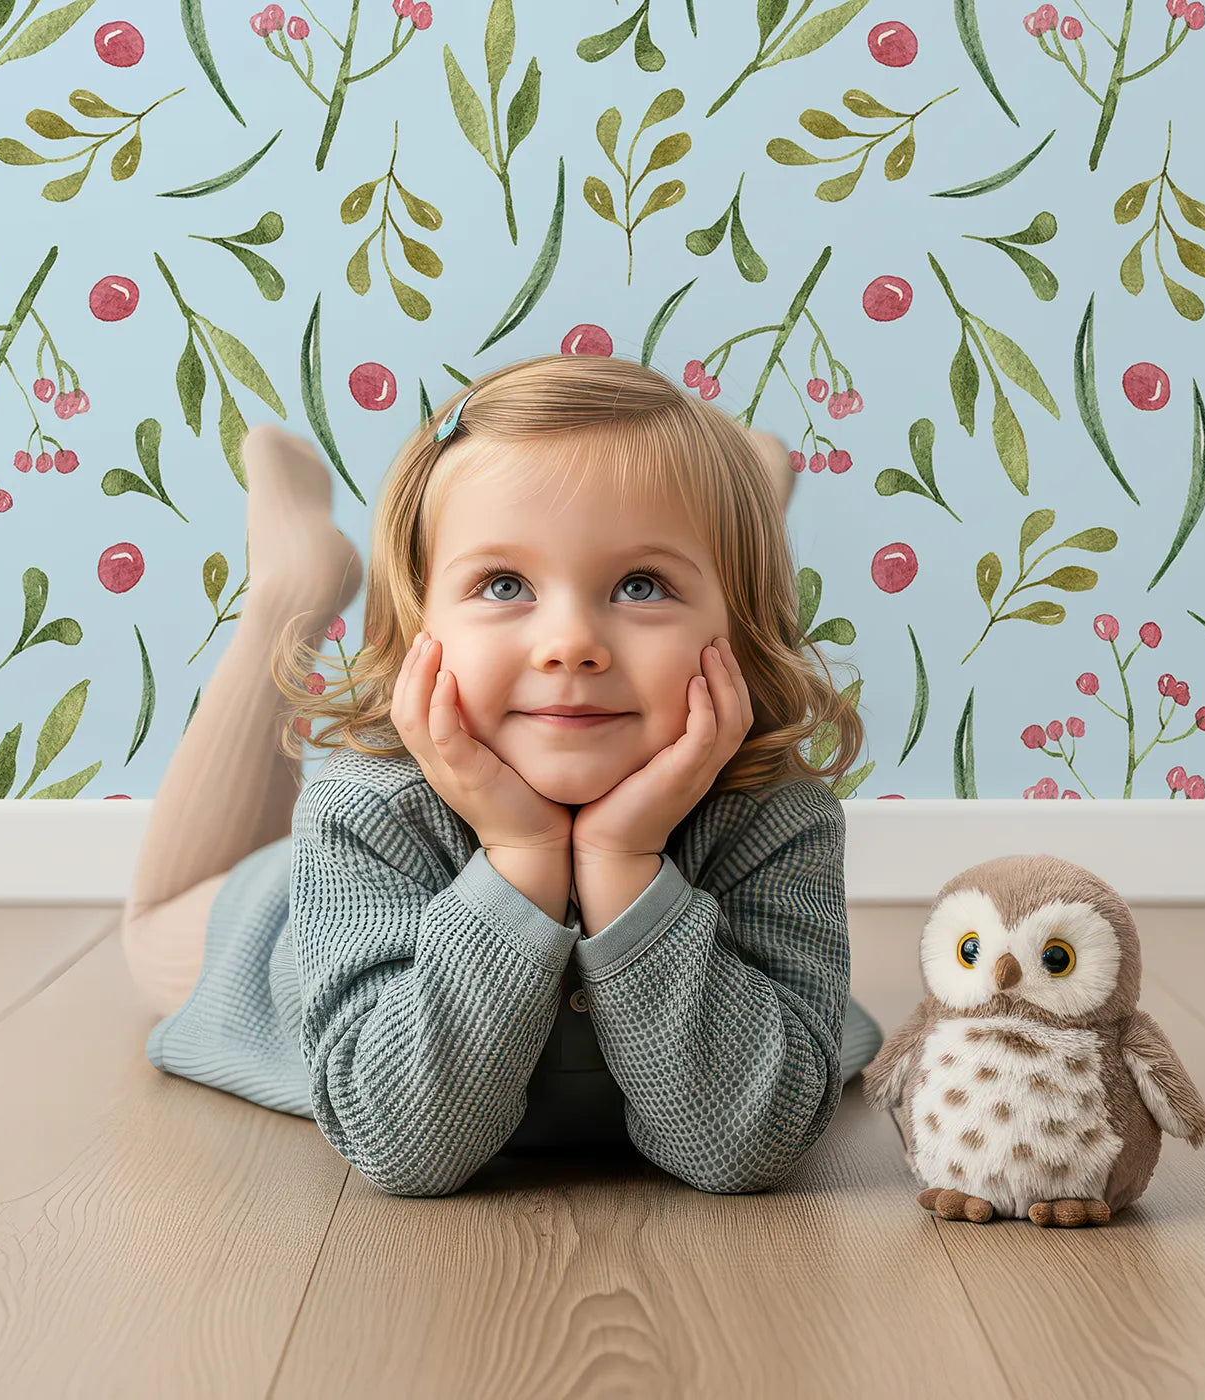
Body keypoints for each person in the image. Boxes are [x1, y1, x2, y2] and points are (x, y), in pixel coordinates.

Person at [123, 352, 883, 1198]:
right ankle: (292, 585)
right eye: (504, 582)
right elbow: (404, 1148)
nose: (571, 644)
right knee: (153, 925)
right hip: (284, 930)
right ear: (422, 621)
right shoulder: (365, 807)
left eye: (640, 584)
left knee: (698, 533)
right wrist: (520, 852)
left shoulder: (775, 816)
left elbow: (748, 1145)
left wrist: (623, 865)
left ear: (734, 634)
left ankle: (733, 519)